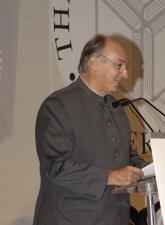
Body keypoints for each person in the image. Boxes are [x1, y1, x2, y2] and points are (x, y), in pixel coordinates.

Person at [33, 34, 149, 225]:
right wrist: (112, 176)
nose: (125, 74)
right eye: (119, 65)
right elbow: (55, 166)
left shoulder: (116, 108)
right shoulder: (58, 106)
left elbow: (126, 158)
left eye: (125, 67)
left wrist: (156, 170)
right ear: (95, 62)